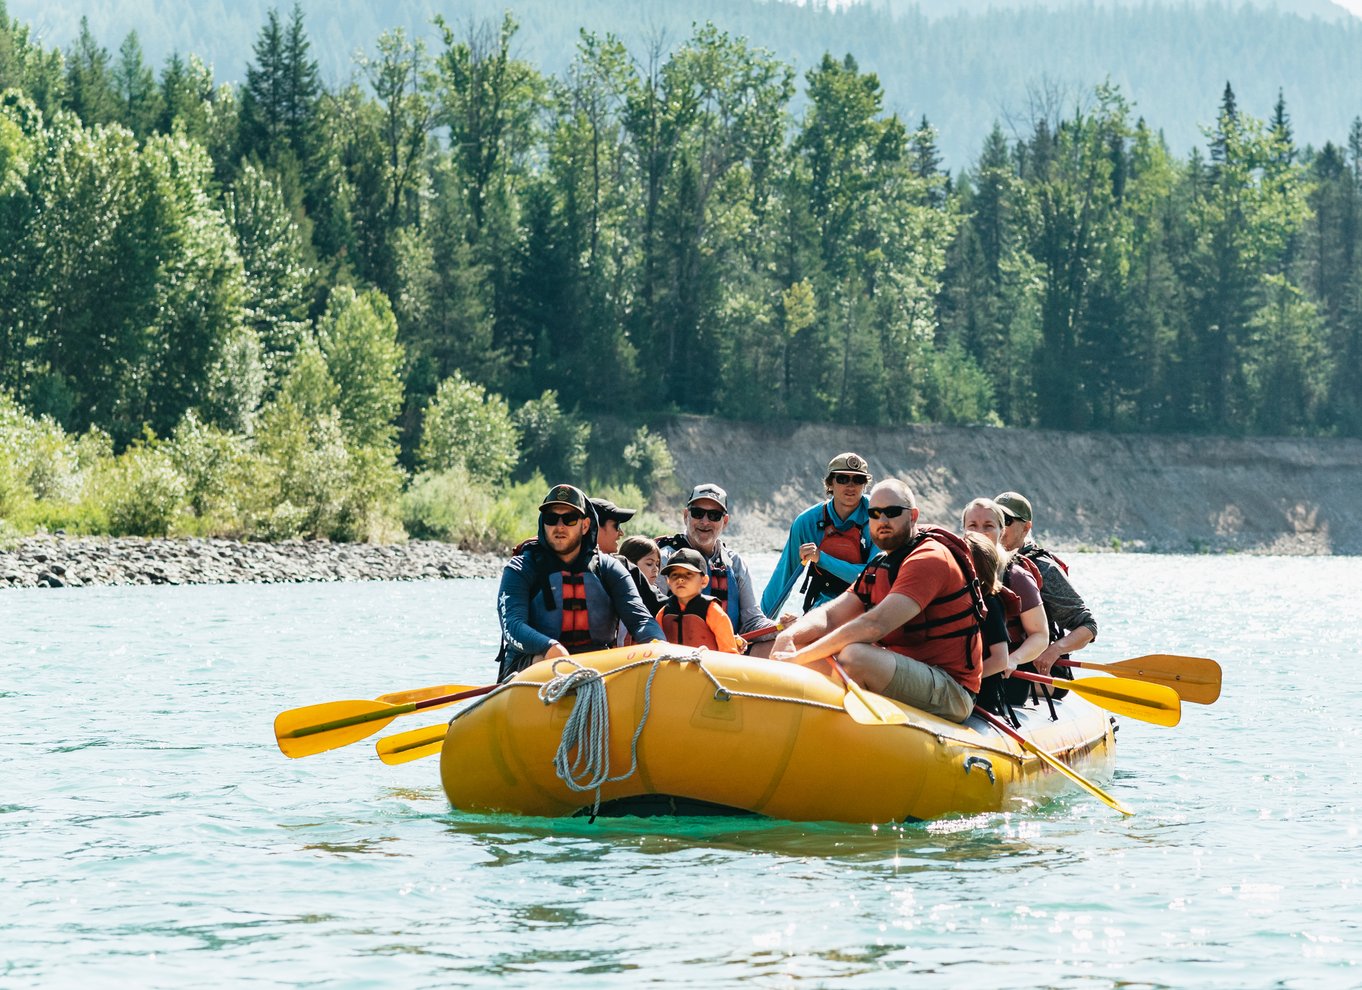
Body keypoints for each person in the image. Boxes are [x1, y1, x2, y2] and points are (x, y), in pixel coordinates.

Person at [771, 479, 984, 723]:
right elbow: (830, 616)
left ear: (913, 516)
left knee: (854, 656)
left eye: (892, 513)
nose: (882, 521)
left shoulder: (930, 558)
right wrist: (789, 637)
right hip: (904, 671)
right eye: (874, 513)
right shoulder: (880, 564)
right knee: (801, 642)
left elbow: (875, 624)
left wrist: (798, 658)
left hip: (951, 689)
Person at [495, 484, 663, 681]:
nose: (559, 526)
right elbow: (512, 626)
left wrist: (657, 644)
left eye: (569, 519)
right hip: (534, 664)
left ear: (584, 525)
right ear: (543, 523)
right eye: (551, 519)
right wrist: (548, 647)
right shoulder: (520, 568)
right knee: (547, 661)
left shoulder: (609, 569)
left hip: (596, 667)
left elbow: (641, 620)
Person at [655, 484, 788, 651]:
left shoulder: (735, 563)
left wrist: (781, 627)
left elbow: (752, 622)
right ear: (686, 516)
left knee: (782, 642)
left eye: (714, 515)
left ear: (724, 521)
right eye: (697, 513)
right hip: (676, 655)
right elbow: (650, 616)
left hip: (726, 657)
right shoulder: (664, 559)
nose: (705, 521)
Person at [994, 491, 1098, 682]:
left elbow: (1088, 626)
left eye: (1007, 520)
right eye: (996, 518)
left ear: (1026, 527)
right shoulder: (981, 561)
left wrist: (1055, 650)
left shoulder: (1045, 569)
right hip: (998, 661)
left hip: (1036, 670)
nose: (999, 527)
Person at [761, 452, 873, 618]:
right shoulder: (807, 522)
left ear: (864, 485)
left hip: (868, 607)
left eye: (858, 480)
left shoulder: (877, 516)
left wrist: (820, 558)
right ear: (830, 484)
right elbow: (782, 578)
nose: (851, 486)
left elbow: (874, 578)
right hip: (822, 607)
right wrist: (760, 624)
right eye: (842, 479)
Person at [964, 530, 1017, 717]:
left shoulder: (991, 604)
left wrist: (964, 680)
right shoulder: (959, 600)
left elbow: (1000, 660)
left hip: (984, 696)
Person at [655, 548, 743, 654]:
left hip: (706, 667)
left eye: (688, 574)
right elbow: (656, 644)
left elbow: (729, 652)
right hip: (673, 667)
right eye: (674, 575)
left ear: (704, 581)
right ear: (668, 581)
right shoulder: (664, 612)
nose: (680, 579)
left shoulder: (713, 610)